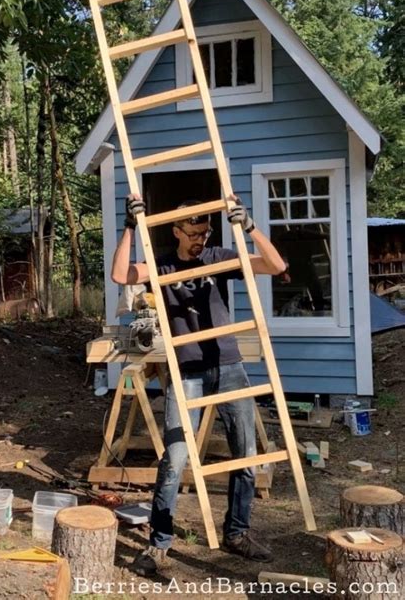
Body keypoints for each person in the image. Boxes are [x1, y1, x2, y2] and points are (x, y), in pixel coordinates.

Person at [111, 194, 286, 577]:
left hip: (227, 365)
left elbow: (275, 265)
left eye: (205, 232)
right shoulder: (164, 265)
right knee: (174, 458)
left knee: (245, 454)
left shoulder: (218, 258)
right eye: (193, 233)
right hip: (186, 370)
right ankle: (158, 547)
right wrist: (128, 226)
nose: (200, 239)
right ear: (176, 231)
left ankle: (237, 534)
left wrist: (250, 226)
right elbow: (120, 275)